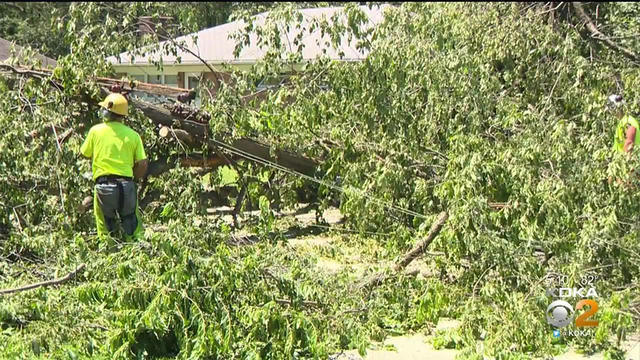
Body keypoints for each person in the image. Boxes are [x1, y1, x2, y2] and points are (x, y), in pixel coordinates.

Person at [80, 93, 148, 240]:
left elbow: (84, 153)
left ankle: (107, 255)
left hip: (103, 186)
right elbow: (142, 163)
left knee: (104, 227)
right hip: (126, 185)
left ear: (106, 112)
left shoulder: (95, 131)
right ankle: (137, 255)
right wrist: (133, 179)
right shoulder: (133, 135)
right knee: (132, 225)